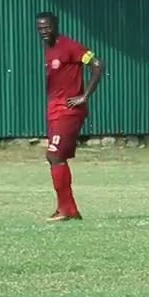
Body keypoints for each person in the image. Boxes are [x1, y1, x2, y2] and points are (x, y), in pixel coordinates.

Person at [38, 12, 104, 222]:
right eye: (40, 28)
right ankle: (69, 210)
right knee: (57, 157)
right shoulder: (48, 48)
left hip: (68, 109)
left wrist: (84, 96)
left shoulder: (70, 46)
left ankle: (67, 210)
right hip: (55, 109)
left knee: (54, 155)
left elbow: (97, 65)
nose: (44, 31)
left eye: (47, 27)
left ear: (55, 26)